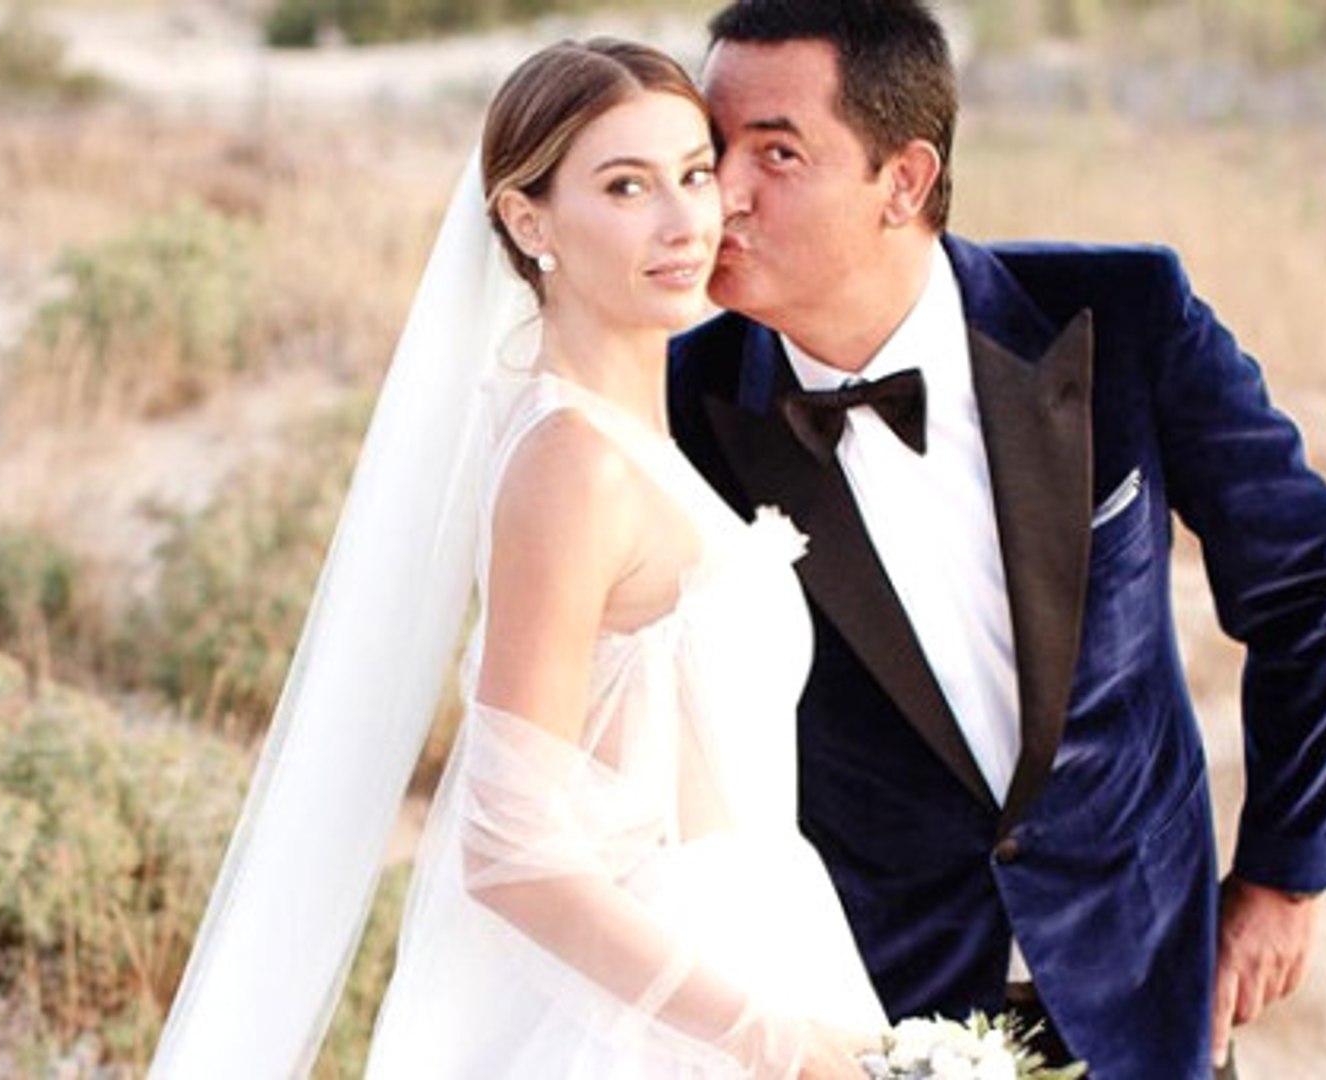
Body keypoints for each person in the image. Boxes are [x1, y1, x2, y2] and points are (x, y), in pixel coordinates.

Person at [149, 39, 884, 1079]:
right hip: (662, 1016)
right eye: (625, 186)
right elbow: (507, 849)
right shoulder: (573, 465)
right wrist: (766, 1038)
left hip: (758, 955)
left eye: (691, 173)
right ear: (528, 221)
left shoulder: (638, 442)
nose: (684, 221)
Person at [666, 2, 1326, 1077]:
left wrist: (1287, 872)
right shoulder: (678, 405)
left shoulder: (1124, 316)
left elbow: (1304, 584)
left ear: (903, 180)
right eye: (712, 149)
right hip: (861, 1008)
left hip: (1149, 982)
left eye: (777, 153)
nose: (724, 194)